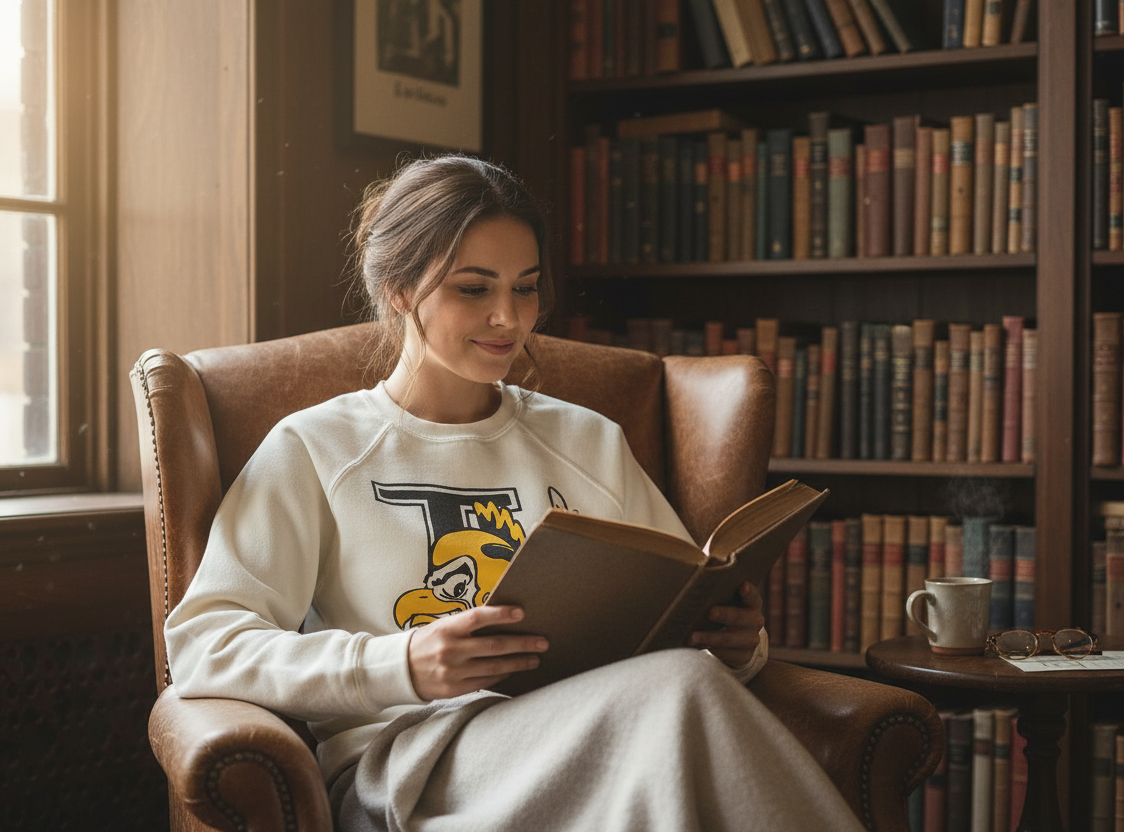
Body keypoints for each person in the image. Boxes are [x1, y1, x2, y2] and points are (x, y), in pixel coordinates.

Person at [164, 154, 867, 832]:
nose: (510, 317)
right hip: (416, 763)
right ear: (399, 289)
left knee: (681, 694)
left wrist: (740, 645)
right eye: (475, 289)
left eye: (525, 287)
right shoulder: (316, 449)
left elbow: (681, 607)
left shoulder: (589, 440)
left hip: (604, 732)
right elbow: (204, 646)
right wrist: (401, 663)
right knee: (678, 694)